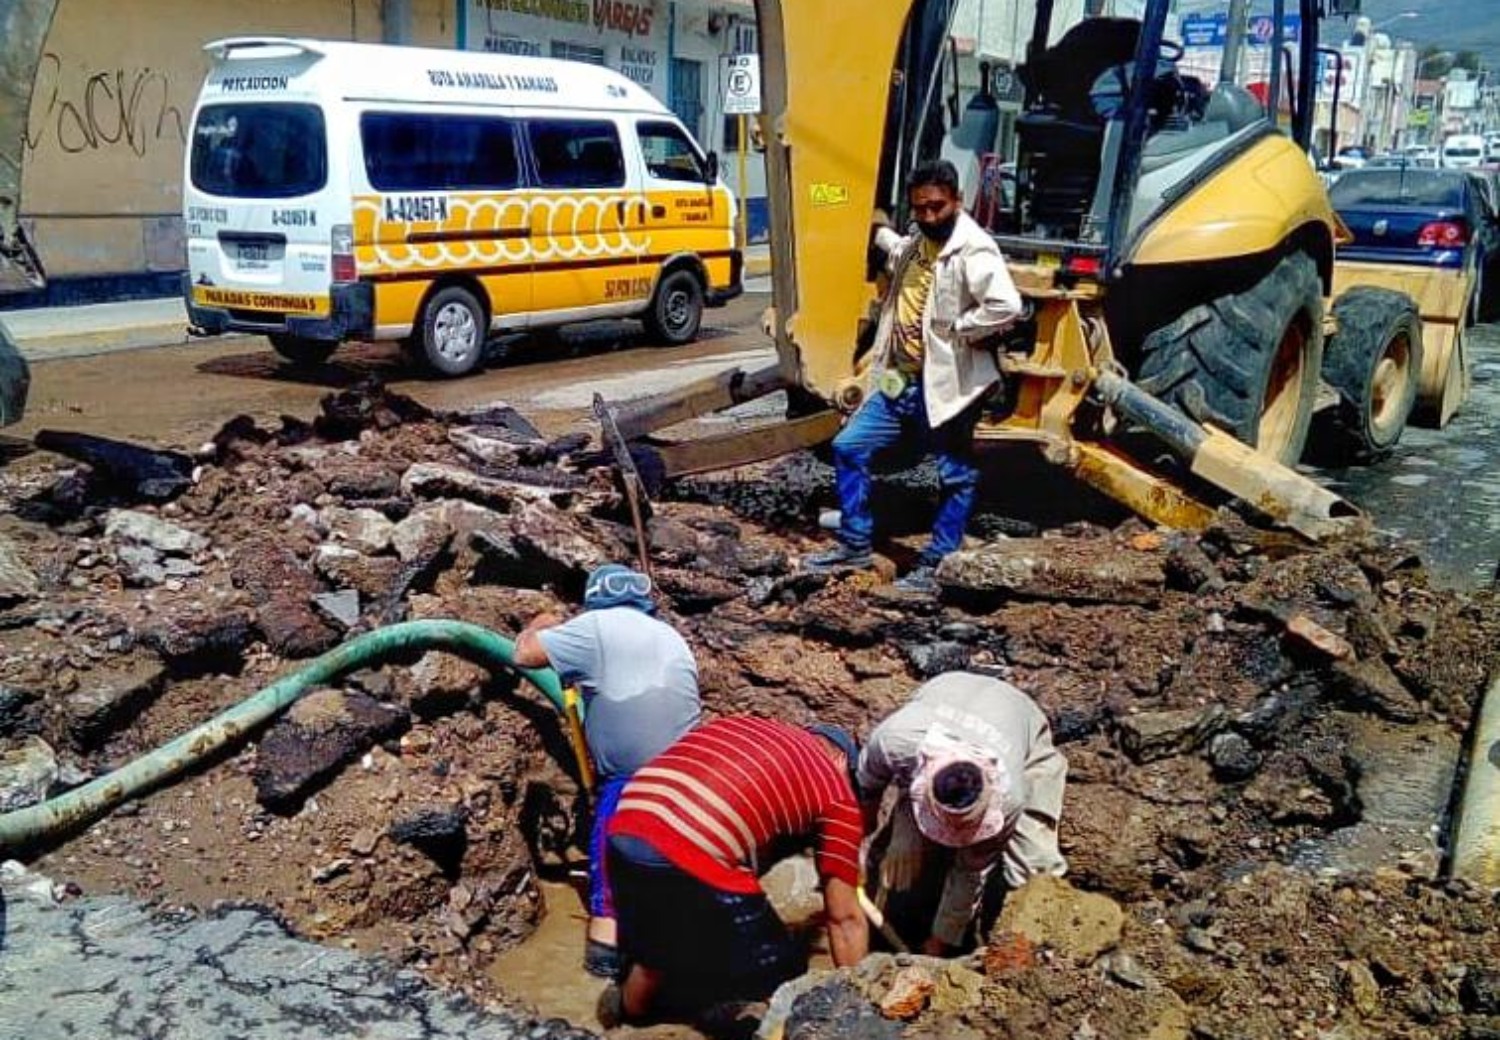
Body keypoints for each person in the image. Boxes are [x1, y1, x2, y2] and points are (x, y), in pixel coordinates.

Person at [806, 158, 1024, 594]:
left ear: (957, 201)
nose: (928, 217)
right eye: (920, 209)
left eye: (937, 207)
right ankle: (854, 543)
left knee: (955, 474)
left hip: (943, 386)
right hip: (899, 382)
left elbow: (1006, 305)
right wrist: (870, 224)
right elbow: (893, 244)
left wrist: (961, 329)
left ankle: (939, 561)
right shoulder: (915, 243)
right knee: (849, 446)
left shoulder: (973, 249)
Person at [602, 717, 868, 1024]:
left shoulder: (747, 727)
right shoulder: (836, 790)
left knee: (654, 953)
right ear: (841, 759)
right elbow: (844, 918)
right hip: (691, 846)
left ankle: (629, 1013)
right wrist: (858, 1005)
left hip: (626, 825)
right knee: (788, 982)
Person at [513, 563, 701, 979]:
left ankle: (605, 948)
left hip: (631, 778)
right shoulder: (670, 636)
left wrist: (544, 621)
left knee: (610, 859)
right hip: (691, 778)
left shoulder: (595, 625)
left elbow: (524, 654)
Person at [857, 671, 1067, 955]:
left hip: (1019, 718)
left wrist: (938, 943)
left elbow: (970, 871)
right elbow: (867, 792)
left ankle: (1042, 957)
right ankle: (909, 818)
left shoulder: (1010, 797)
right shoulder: (893, 741)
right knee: (900, 839)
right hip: (948, 690)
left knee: (1035, 871)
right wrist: (857, 847)